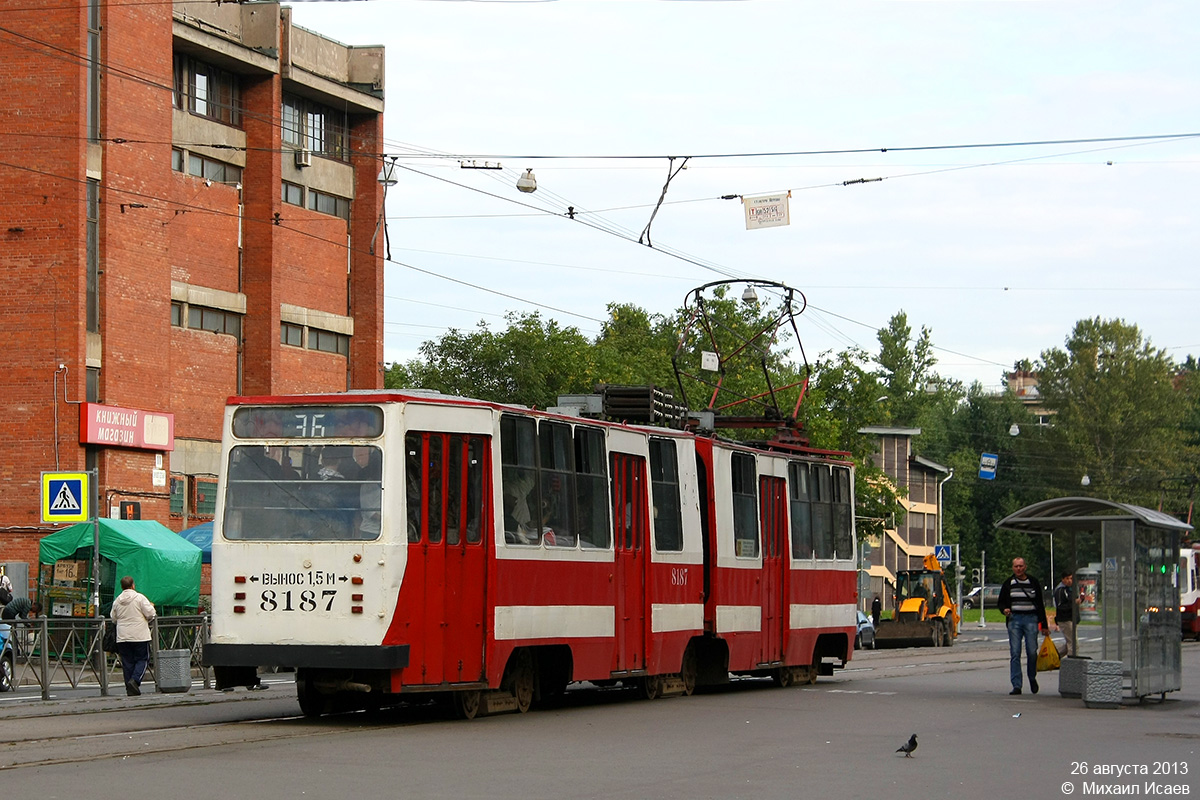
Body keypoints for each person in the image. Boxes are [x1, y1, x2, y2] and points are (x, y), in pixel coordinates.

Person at [998, 557, 1048, 695]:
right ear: (1013, 568)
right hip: (1014, 620)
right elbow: (1001, 602)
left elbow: (1040, 604)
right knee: (1015, 652)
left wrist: (1044, 624)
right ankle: (1017, 685)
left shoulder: (1033, 582)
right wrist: (1005, 610)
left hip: (1031, 619)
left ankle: (1032, 677)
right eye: (1016, 566)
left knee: (1032, 651)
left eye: (1021, 566)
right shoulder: (1009, 583)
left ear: (1025, 567)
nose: (1018, 569)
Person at [111, 576, 156, 696]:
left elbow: (113, 618)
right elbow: (150, 613)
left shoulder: (117, 601)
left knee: (127, 662)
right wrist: (151, 607)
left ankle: (129, 687)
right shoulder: (139, 598)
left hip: (122, 636)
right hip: (140, 635)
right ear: (133, 585)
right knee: (143, 659)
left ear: (122, 587)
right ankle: (135, 680)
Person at [1053, 570, 1080, 658]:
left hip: (1071, 618)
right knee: (1073, 643)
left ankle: (1054, 656)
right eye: (1067, 578)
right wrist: (1074, 603)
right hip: (1065, 619)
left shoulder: (1071, 589)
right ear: (1063, 579)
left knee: (1070, 642)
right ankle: (1072, 662)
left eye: (1071, 578)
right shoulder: (1061, 590)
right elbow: (1060, 606)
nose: (1069, 581)